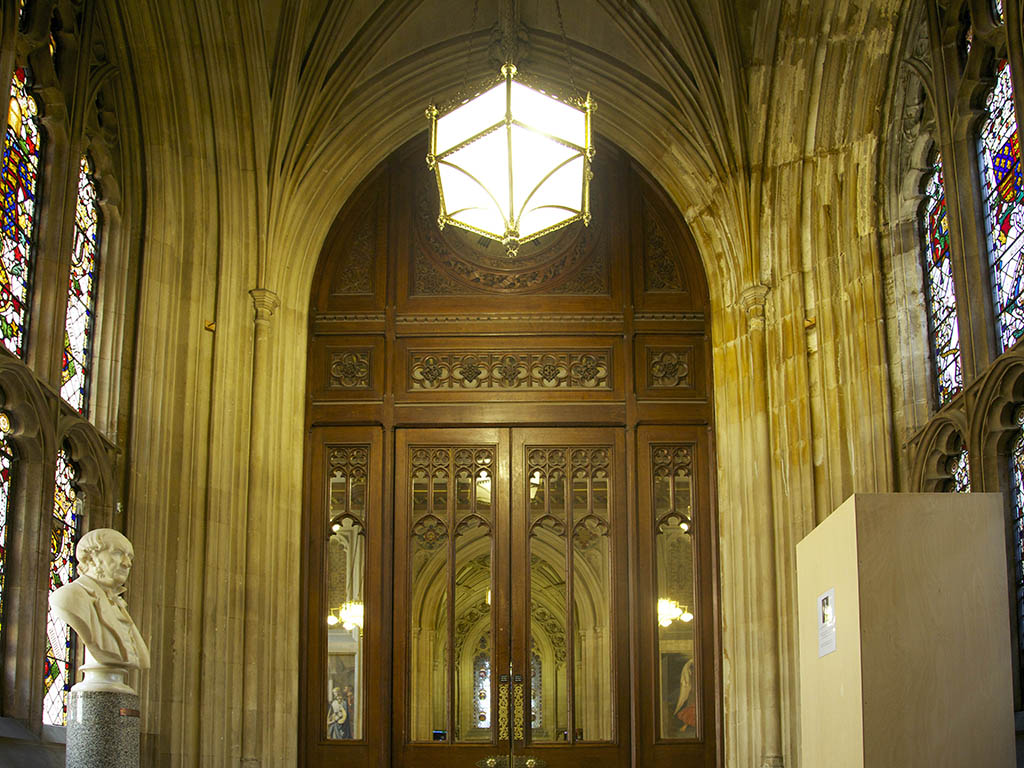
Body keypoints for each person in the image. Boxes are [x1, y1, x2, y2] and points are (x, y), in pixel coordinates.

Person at [48, 528, 150, 670]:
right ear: (91, 558)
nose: (127, 563)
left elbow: (142, 659)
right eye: (118, 553)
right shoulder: (68, 597)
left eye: (130, 557)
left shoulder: (117, 604)